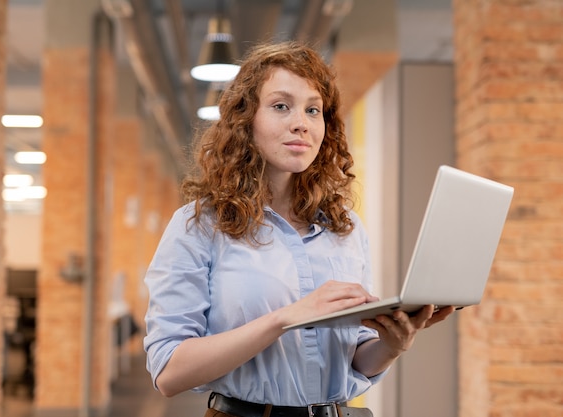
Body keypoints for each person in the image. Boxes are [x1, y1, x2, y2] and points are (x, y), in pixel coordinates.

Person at [143, 41, 454, 417]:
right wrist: (285, 318)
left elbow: (356, 357)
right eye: (280, 106)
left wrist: (392, 345)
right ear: (246, 120)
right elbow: (169, 371)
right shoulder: (199, 225)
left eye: (313, 110)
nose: (301, 123)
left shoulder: (346, 228)